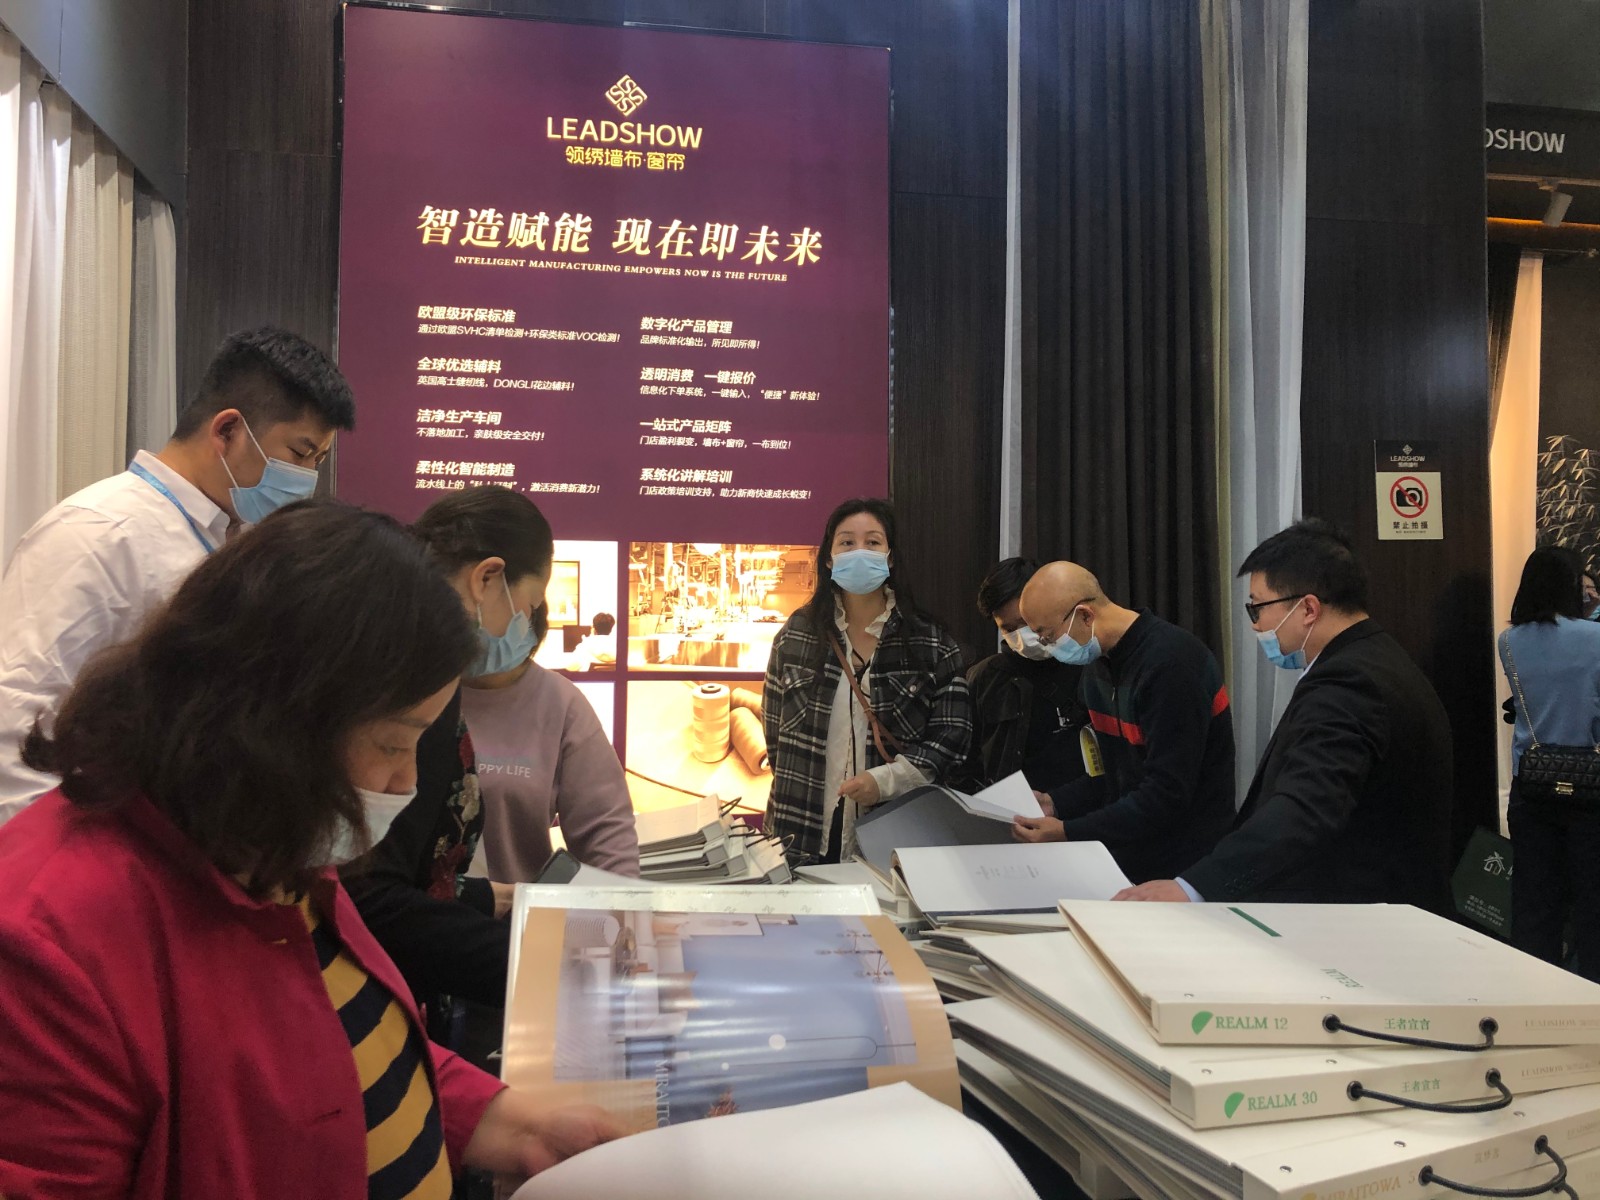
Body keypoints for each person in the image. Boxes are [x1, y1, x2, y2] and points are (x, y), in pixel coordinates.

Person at [0, 501, 618, 1198]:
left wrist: (510, 1123)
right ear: (281, 721)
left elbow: (347, 1046)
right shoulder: (48, 947)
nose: (406, 784)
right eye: (394, 745)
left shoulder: (267, 844)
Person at [0, 327, 355, 821]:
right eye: (299, 454)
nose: (308, 478)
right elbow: (17, 723)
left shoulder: (234, 541)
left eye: (318, 460)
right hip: (94, 841)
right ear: (227, 430)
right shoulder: (98, 534)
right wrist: (59, 857)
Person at [1119, 519, 1455, 910]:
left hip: (1361, 913)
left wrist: (1195, 887)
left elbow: (1304, 810)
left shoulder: (1349, 683)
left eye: (1257, 608)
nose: (1256, 626)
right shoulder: (1373, 658)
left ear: (1308, 608)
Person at [343, 487, 562, 1023]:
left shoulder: (421, 661)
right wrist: (550, 969)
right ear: (488, 578)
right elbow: (366, 895)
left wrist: (488, 899)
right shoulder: (408, 672)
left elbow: (404, 870)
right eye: (530, 605)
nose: (403, 779)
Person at [407, 492, 639, 883]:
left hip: (505, 918)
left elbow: (608, 836)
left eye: (532, 611)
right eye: (530, 604)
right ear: (485, 579)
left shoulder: (560, 705)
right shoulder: (407, 690)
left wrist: (618, 909)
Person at [763, 498, 972, 865]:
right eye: (847, 542)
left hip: (895, 836)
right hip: (801, 829)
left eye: (873, 542)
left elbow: (953, 737)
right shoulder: (795, 635)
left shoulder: (931, 642)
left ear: (890, 558)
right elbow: (775, 735)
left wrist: (888, 780)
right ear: (829, 559)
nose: (859, 551)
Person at [1009, 562, 1235, 885]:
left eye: (1048, 636)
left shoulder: (1172, 665)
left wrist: (1068, 832)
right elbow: (1111, 777)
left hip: (1188, 868)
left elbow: (1166, 794)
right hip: (1130, 860)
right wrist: (1055, 803)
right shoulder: (1096, 670)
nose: (1047, 648)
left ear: (1085, 615)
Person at [1497, 546, 1600, 980]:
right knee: (1593, 905)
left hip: (1533, 785)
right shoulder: (1594, 637)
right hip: (1591, 786)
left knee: (1534, 905)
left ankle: (1534, 993)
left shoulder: (1509, 641)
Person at [961, 556, 1087, 792]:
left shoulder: (1088, 666)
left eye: (1026, 621)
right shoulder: (984, 678)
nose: (1022, 635)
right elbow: (965, 765)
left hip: (1080, 810)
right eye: (1008, 628)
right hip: (1005, 811)